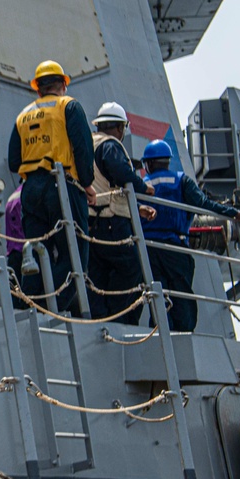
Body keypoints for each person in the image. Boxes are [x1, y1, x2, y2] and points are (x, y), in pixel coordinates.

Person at [8, 60, 95, 313]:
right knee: (75, 255)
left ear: (38, 89)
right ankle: (51, 304)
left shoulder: (23, 116)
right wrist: (87, 184)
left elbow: (14, 162)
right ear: (63, 85)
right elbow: (83, 149)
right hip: (62, 186)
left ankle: (30, 307)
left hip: (30, 191)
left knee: (35, 254)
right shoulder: (69, 106)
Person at [141, 139, 240, 331]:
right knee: (182, 295)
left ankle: (160, 332)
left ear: (148, 163)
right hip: (175, 248)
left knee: (157, 296)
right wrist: (234, 213)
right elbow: (204, 204)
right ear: (168, 161)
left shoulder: (142, 183)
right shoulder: (181, 180)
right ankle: (183, 333)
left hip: (149, 249)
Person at [87, 102, 156, 324]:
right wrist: (143, 186)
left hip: (92, 221)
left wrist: (137, 209)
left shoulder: (88, 145)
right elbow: (120, 172)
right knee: (132, 267)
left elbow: (102, 188)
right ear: (119, 128)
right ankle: (116, 315)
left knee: (98, 272)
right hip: (112, 223)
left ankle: (99, 315)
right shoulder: (110, 145)